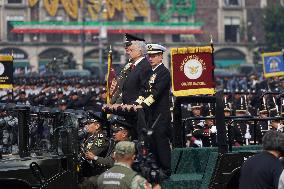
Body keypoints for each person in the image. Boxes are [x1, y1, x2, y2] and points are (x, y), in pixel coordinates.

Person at [134, 43, 171, 179]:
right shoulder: (151, 72)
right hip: (151, 114)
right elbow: (144, 90)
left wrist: (143, 105)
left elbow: (156, 93)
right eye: (149, 56)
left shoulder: (164, 73)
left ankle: (166, 169)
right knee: (152, 141)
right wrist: (136, 103)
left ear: (161, 57)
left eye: (154, 56)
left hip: (160, 114)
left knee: (161, 141)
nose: (150, 58)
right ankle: (156, 167)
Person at [80, 117, 132, 189]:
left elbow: (110, 162)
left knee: (87, 182)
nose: (113, 134)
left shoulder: (125, 146)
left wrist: (94, 158)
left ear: (124, 134)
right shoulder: (118, 143)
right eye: (113, 131)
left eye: (116, 132)